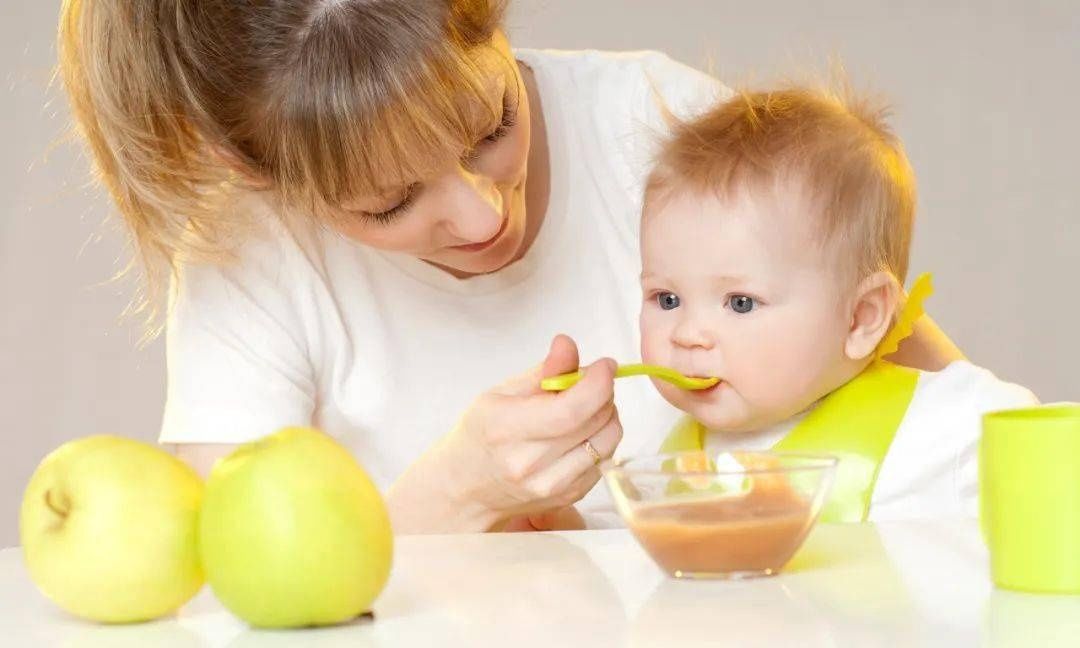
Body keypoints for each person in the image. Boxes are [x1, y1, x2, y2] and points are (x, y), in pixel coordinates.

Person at [58, 0, 963, 533]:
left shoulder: (664, 125)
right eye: (389, 203)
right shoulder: (248, 253)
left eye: (492, 128)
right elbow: (227, 596)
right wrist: (457, 496)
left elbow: (934, 396)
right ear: (253, 170)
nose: (484, 216)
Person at [638, 83, 1037, 521]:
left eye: (740, 303)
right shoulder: (670, 450)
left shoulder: (942, 423)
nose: (687, 334)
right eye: (667, 298)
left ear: (861, 318)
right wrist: (564, 527)